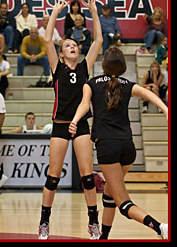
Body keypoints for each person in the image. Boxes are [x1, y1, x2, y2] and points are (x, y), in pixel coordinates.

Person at [68, 47, 168, 240]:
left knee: (123, 203)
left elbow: (83, 105)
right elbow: (150, 95)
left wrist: (74, 121)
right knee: (109, 193)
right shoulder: (128, 84)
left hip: (108, 148)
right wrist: (165, 109)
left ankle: (160, 228)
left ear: (103, 65)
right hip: (128, 149)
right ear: (122, 67)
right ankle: (103, 237)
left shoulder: (91, 84)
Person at [38, 0, 103, 240]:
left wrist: (94, 12)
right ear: (62, 53)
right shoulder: (58, 67)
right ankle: (44, 222)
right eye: (67, 45)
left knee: (87, 177)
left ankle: (92, 222)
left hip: (82, 125)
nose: (72, 46)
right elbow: (47, 39)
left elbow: (98, 39)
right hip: (60, 126)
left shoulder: (85, 66)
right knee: (53, 178)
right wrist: (55, 11)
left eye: (74, 44)